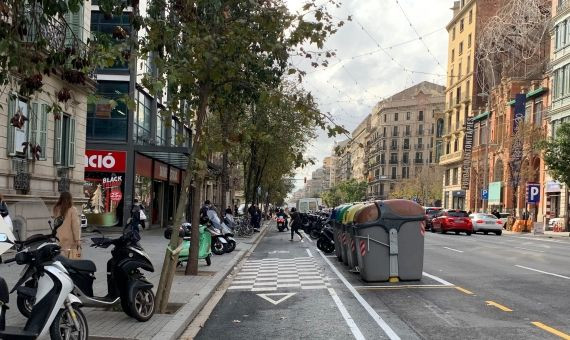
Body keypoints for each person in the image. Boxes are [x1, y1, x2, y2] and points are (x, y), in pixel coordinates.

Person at [53, 192, 81, 259]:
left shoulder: (56, 209)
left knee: (61, 255)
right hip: (70, 237)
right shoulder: (72, 209)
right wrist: (77, 239)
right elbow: (75, 226)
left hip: (59, 236)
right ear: (70, 199)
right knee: (71, 258)